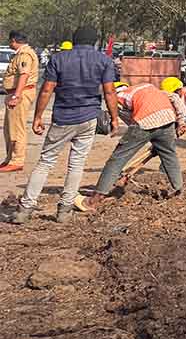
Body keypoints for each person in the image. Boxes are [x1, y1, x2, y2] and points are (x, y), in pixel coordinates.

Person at [10, 26, 119, 225]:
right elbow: (110, 92)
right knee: (76, 164)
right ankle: (64, 211)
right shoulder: (104, 61)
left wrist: (37, 117)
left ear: (74, 40)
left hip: (63, 118)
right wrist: (114, 118)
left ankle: (25, 209)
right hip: (88, 118)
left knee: (45, 162)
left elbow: (47, 90)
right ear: (94, 42)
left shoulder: (59, 59)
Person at [85, 80, 186, 210]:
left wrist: (138, 138)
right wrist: (181, 122)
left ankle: (96, 198)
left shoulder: (118, 97)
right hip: (168, 120)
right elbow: (175, 97)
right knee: (169, 156)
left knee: (117, 159)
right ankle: (178, 189)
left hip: (145, 122)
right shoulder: (147, 86)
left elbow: (133, 123)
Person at [2, 31, 39, 172]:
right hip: (15, 93)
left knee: (17, 128)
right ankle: (9, 159)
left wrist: (16, 96)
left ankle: (17, 160)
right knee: (9, 128)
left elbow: (24, 75)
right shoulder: (18, 54)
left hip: (21, 93)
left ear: (13, 40)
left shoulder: (25, 54)